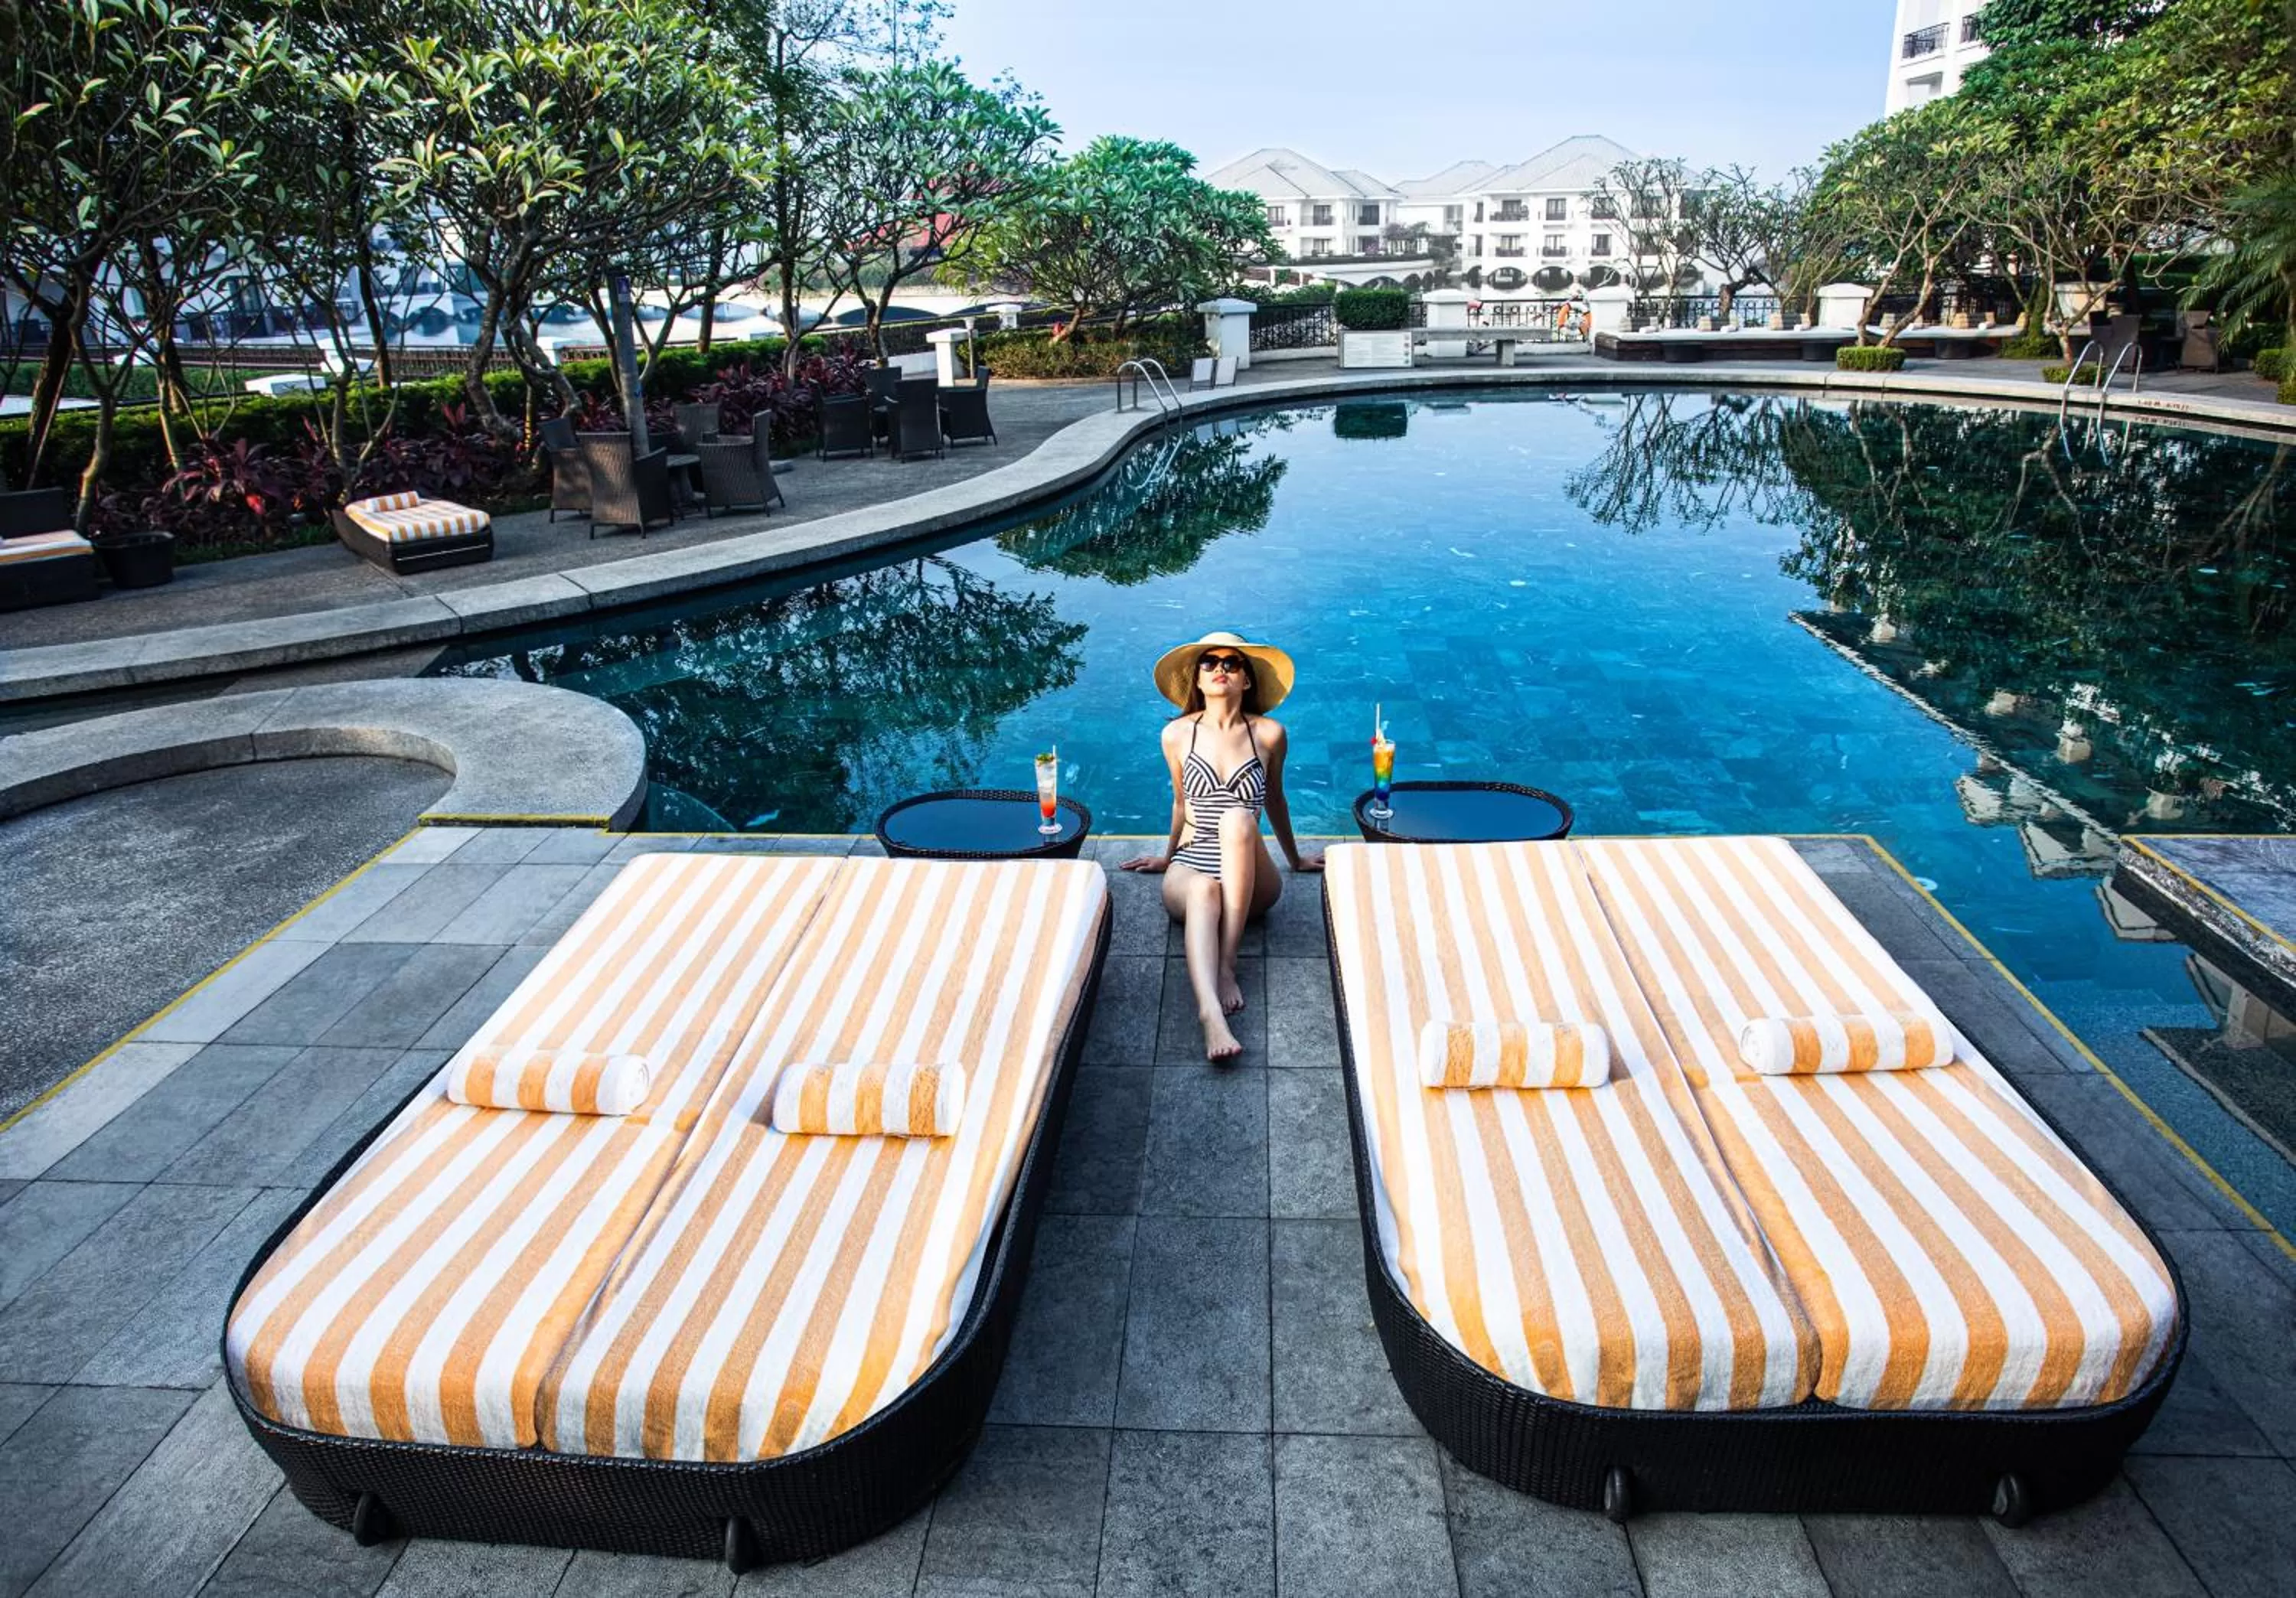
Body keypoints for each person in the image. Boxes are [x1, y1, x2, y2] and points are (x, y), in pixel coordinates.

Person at [1122, 631, 1322, 1062]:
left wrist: (1297, 859)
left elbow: (1275, 799)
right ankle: (1210, 1013)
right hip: (1194, 860)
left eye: (1232, 664)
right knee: (1203, 890)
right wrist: (1166, 854)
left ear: (1246, 681)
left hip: (1253, 876)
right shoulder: (1177, 734)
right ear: (1197, 678)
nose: (1220, 670)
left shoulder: (1269, 734)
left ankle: (1228, 962)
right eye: (1210, 663)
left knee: (1237, 818)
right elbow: (1180, 803)